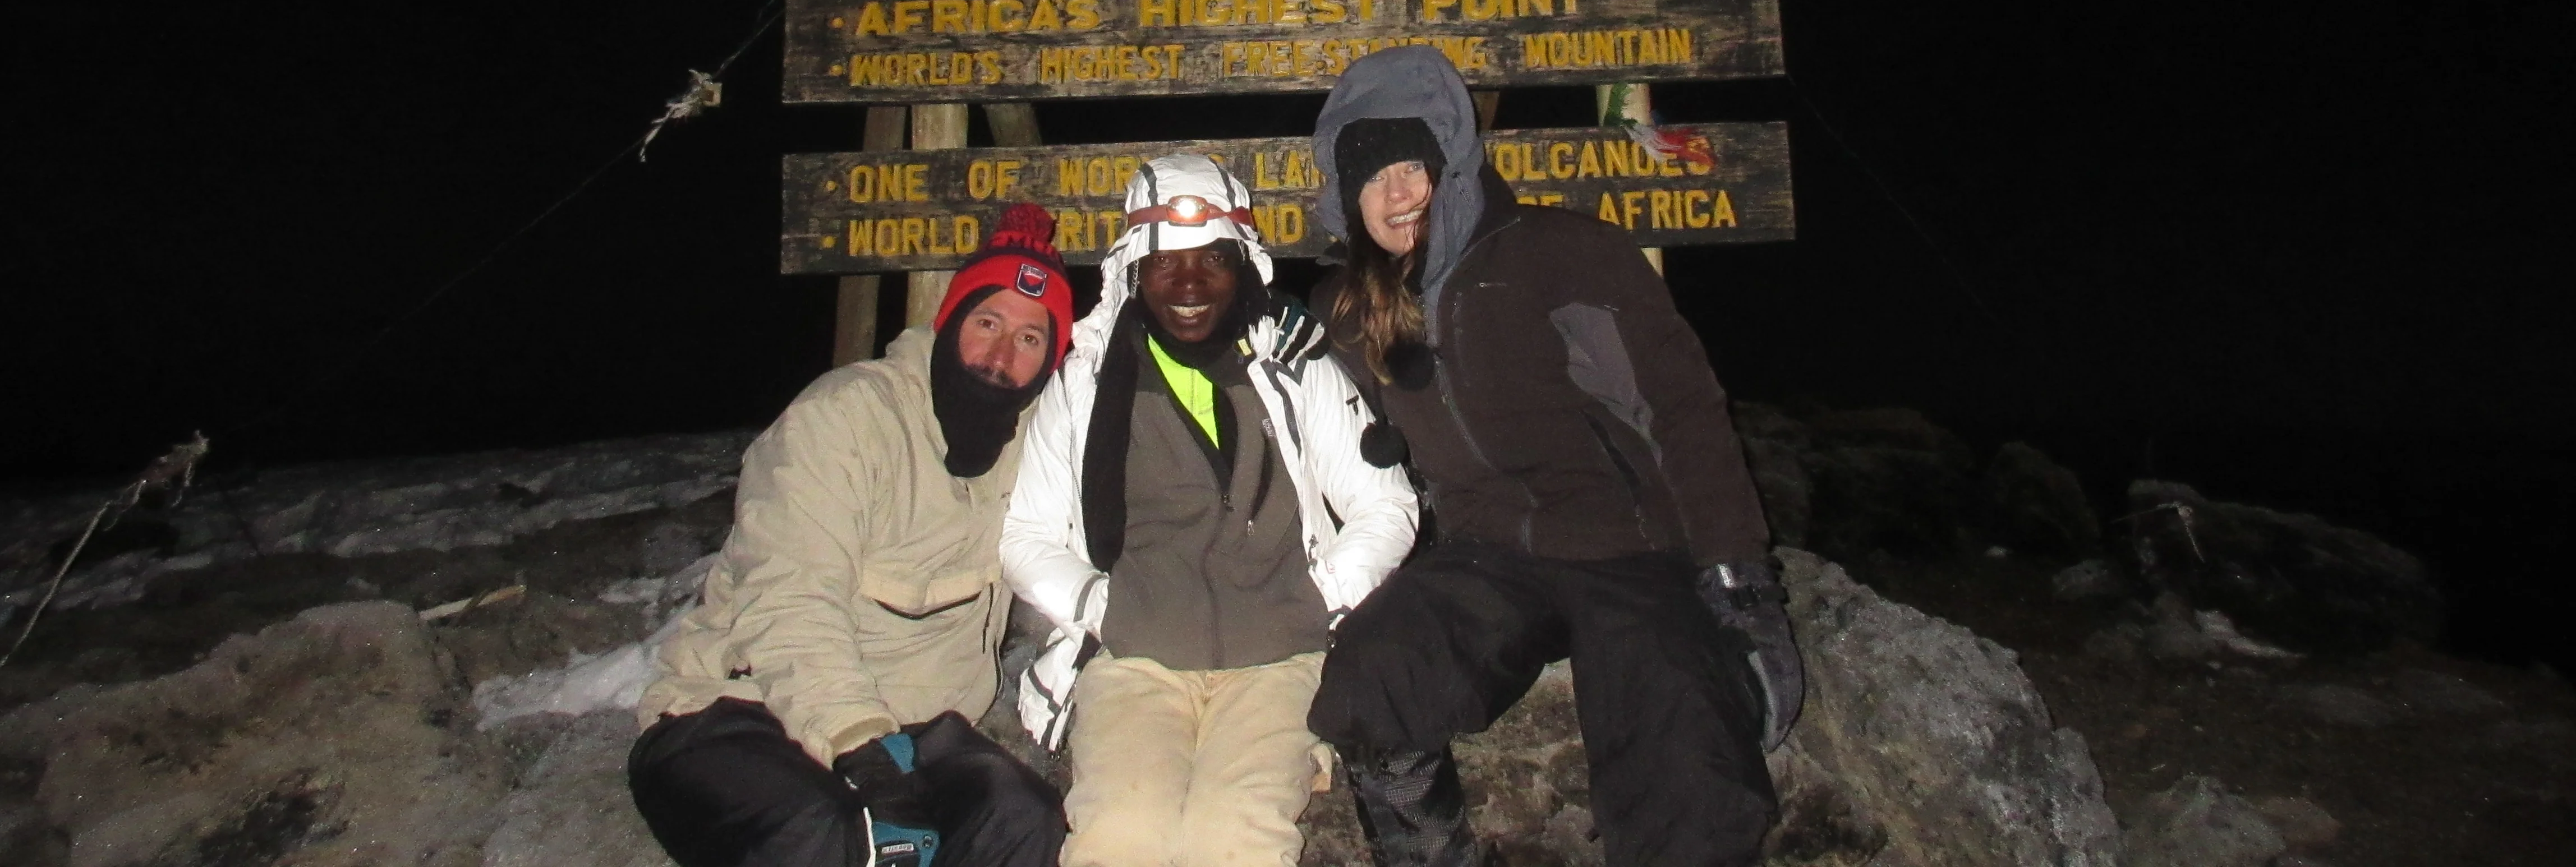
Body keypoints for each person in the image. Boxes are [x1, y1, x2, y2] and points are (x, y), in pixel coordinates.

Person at [1301, 48, 1804, 867]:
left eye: (1412, 165)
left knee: (1687, 759)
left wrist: (1739, 580)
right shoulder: (1345, 306)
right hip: (1484, 557)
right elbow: (1306, 430)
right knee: (1374, 677)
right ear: (1345, 195)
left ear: (1450, 167)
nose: (1397, 193)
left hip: (1629, 548)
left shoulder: (1562, 250)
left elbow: (1682, 410)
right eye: (1372, 174)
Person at [1002, 154, 1419, 867]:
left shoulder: (1294, 367)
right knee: (1118, 836)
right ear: (1133, 269)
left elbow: (1387, 502)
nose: (1189, 283)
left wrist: (1321, 594)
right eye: (1166, 262)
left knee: (1237, 841)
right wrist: (1103, 608)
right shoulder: (1087, 382)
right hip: (1137, 659)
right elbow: (1027, 536)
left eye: (1213, 260)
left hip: (1278, 661)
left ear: (1244, 265)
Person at [628, 203, 1075, 867]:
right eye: (987, 323)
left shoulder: (1041, 443)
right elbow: (788, 601)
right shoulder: (841, 421)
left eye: (1031, 339)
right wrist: (862, 747)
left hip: (917, 728)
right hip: (741, 712)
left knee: (1027, 822)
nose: (1001, 354)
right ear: (949, 321)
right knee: (836, 840)